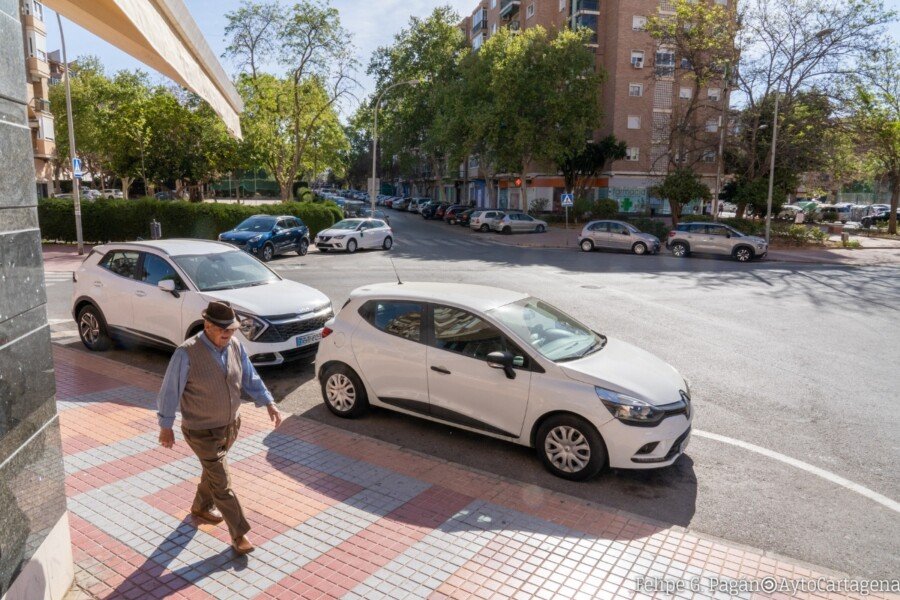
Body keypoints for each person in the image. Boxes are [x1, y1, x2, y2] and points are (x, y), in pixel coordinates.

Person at [156, 300, 282, 555]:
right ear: (207, 325)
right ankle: (239, 535)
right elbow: (170, 391)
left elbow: (249, 376)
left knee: (213, 472)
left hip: (230, 426)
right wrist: (165, 425)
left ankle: (201, 507)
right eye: (223, 329)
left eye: (232, 329)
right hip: (201, 430)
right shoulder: (186, 352)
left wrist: (268, 401)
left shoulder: (234, 345)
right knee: (222, 482)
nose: (229, 334)